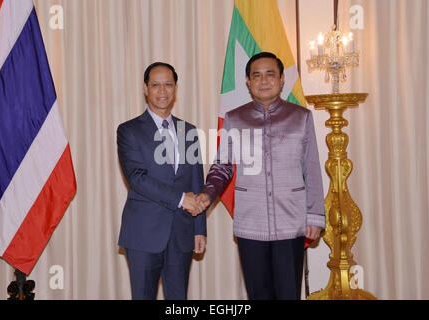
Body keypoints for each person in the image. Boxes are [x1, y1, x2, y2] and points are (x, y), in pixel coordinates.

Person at [196, 52, 325, 300]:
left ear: (281, 79)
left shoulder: (301, 117)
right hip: (250, 222)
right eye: (257, 75)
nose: (263, 80)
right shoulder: (235, 118)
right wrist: (207, 194)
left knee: (288, 293)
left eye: (270, 74)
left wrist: (315, 216)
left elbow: (311, 168)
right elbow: (222, 166)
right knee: (258, 294)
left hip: (291, 221)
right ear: (248, 81)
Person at [117, 62, 207, 300]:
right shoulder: (128, 130)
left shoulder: (189, 131)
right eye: (156, 85)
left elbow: (197, 181)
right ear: (146, 89)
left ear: (175, 88)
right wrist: (181, 199)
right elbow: (137, 178)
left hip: (182, 232)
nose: (162, 90)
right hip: (144, 233)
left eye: (168, 84)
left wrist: (199, 229)